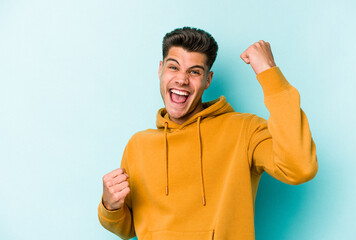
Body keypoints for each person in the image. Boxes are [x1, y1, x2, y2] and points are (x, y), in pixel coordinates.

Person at [98, 27, 318, 240]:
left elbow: (300, 168)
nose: (182, 79)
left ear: (208, 80)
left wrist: (269, 73)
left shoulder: (245, 130)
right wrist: (110, 206)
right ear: (160, 70)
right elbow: (128, 229)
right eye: (173, 67)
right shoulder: (138, 145)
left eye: (194, 72)